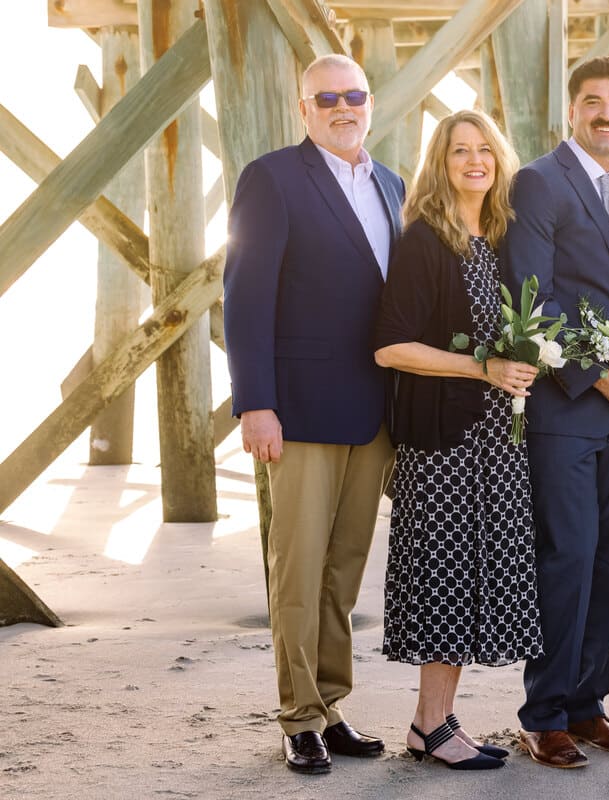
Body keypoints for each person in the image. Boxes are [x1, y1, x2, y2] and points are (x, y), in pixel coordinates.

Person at [222, 54, 405, 774]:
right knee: (296, 571)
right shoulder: (271, 179)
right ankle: (297, 717)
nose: (341, 106)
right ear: (304, 108)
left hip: (373, 413)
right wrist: (255, 403)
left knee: (343, 572)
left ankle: (331, 706)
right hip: (295, 411)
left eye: (353, 94)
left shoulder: (391, 183)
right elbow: (246, 296)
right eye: (325, 97)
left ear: (370, 102)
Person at [373, 110, 542, 771]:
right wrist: (484, 368)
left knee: (474, 578)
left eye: (484, 150)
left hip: (497, 440)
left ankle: (433, 723)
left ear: (499, 160)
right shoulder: (426, 239)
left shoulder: (501, 237)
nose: (474, 161)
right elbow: (390, 345)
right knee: (443, 577)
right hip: (443, 441)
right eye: (458, 152)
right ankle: (430, 723)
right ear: (438, 165)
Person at [502, 56, 609, 769]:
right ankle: (544, 713)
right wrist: (601, 379)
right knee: (566, 557)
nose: (607, 113)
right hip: (570, 408)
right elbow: (533, 300)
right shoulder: (539, 181)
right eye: (593, 101)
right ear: (572, 110)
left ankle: (588, 701)